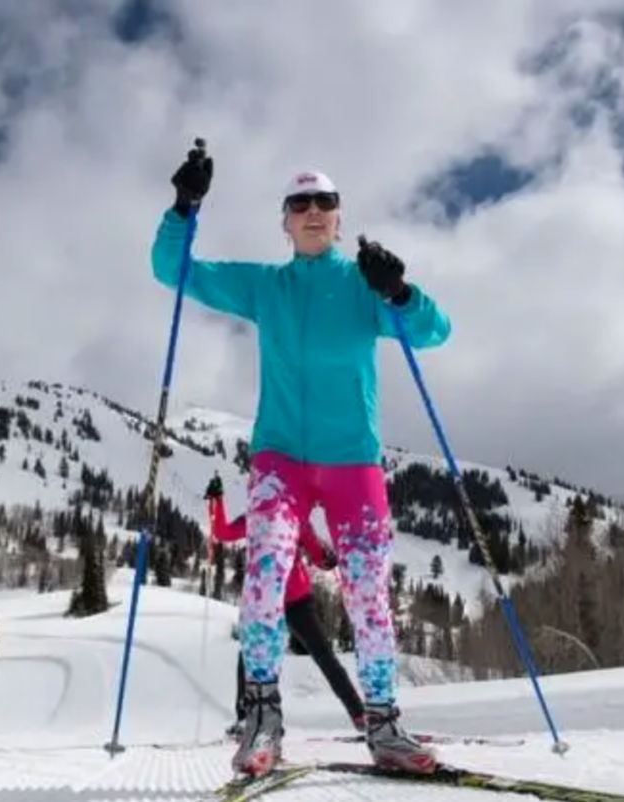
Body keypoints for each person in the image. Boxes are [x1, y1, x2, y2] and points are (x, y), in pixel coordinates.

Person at [152, 141, 451, 777]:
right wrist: (185, 205)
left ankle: (385, 724)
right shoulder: (266, 287)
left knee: (370, 593)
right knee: (262, 580)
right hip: (280, 461)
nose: (314, 211)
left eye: (326, 202)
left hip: (353, 463)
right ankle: (262, 720)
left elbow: (433, 332)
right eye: (300, 203)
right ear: (284, 222)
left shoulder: (365, 288)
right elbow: (172, 269)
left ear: (340, 219)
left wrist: (399, 290)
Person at [202, 474, 366, 739]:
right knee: (265, 654)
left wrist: (326, 558)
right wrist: (216, 500)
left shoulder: (285, 518)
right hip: (279, 600)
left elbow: (316, 552)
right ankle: (360, 715)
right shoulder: (265, 518)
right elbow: (221, 532)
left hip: (292, 599)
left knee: (312, 654)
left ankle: (360, 715)